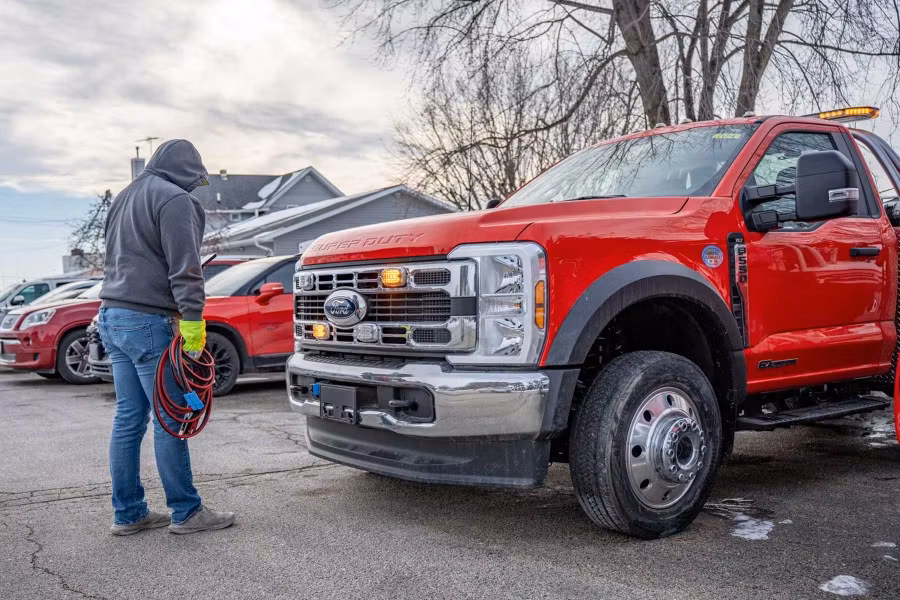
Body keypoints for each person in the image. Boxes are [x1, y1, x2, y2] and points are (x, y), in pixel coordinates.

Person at [98, 139, 235, 536]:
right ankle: (187, 512)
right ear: (188, 172)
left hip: (112, 315)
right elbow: (186, 269)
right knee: (170, 418)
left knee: (128, 419)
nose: (195, 189)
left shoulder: (124, 197)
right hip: (149, 321)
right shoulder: (175, 200)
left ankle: (129, 514)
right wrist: (193, 324)